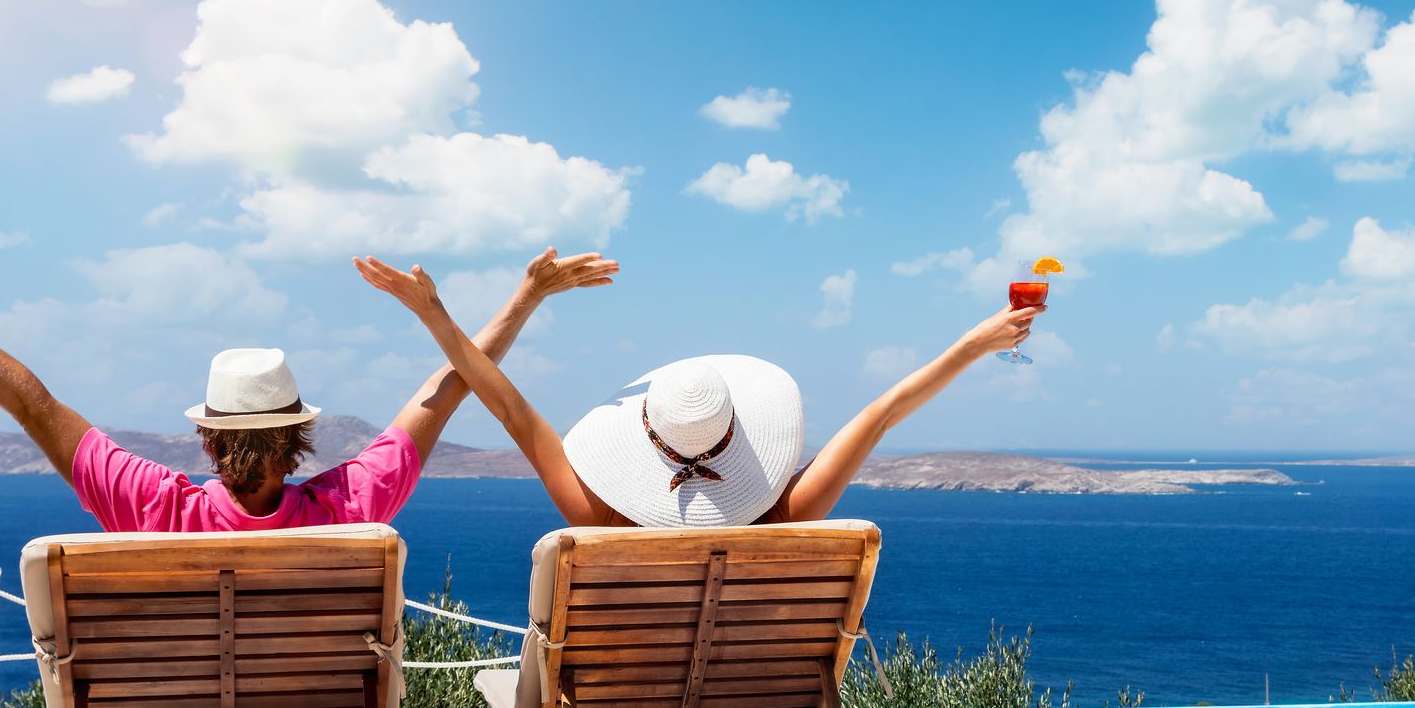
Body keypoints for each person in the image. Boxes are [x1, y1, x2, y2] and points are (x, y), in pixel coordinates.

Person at [0, 232, 617, 531]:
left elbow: (30, 398)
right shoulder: (347, 505)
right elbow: (451, 387)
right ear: (299, 435)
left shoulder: (157, 506)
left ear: (209, 437)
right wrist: (524, 297)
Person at [353, 254, 1042, 529]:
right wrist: (975, 344)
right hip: (746, 694)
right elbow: (883, 412)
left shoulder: (596, 516)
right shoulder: (788, 516)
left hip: (608, 701)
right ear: (741, 434)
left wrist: (436, 312)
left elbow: (502, 401)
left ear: (645, 436)